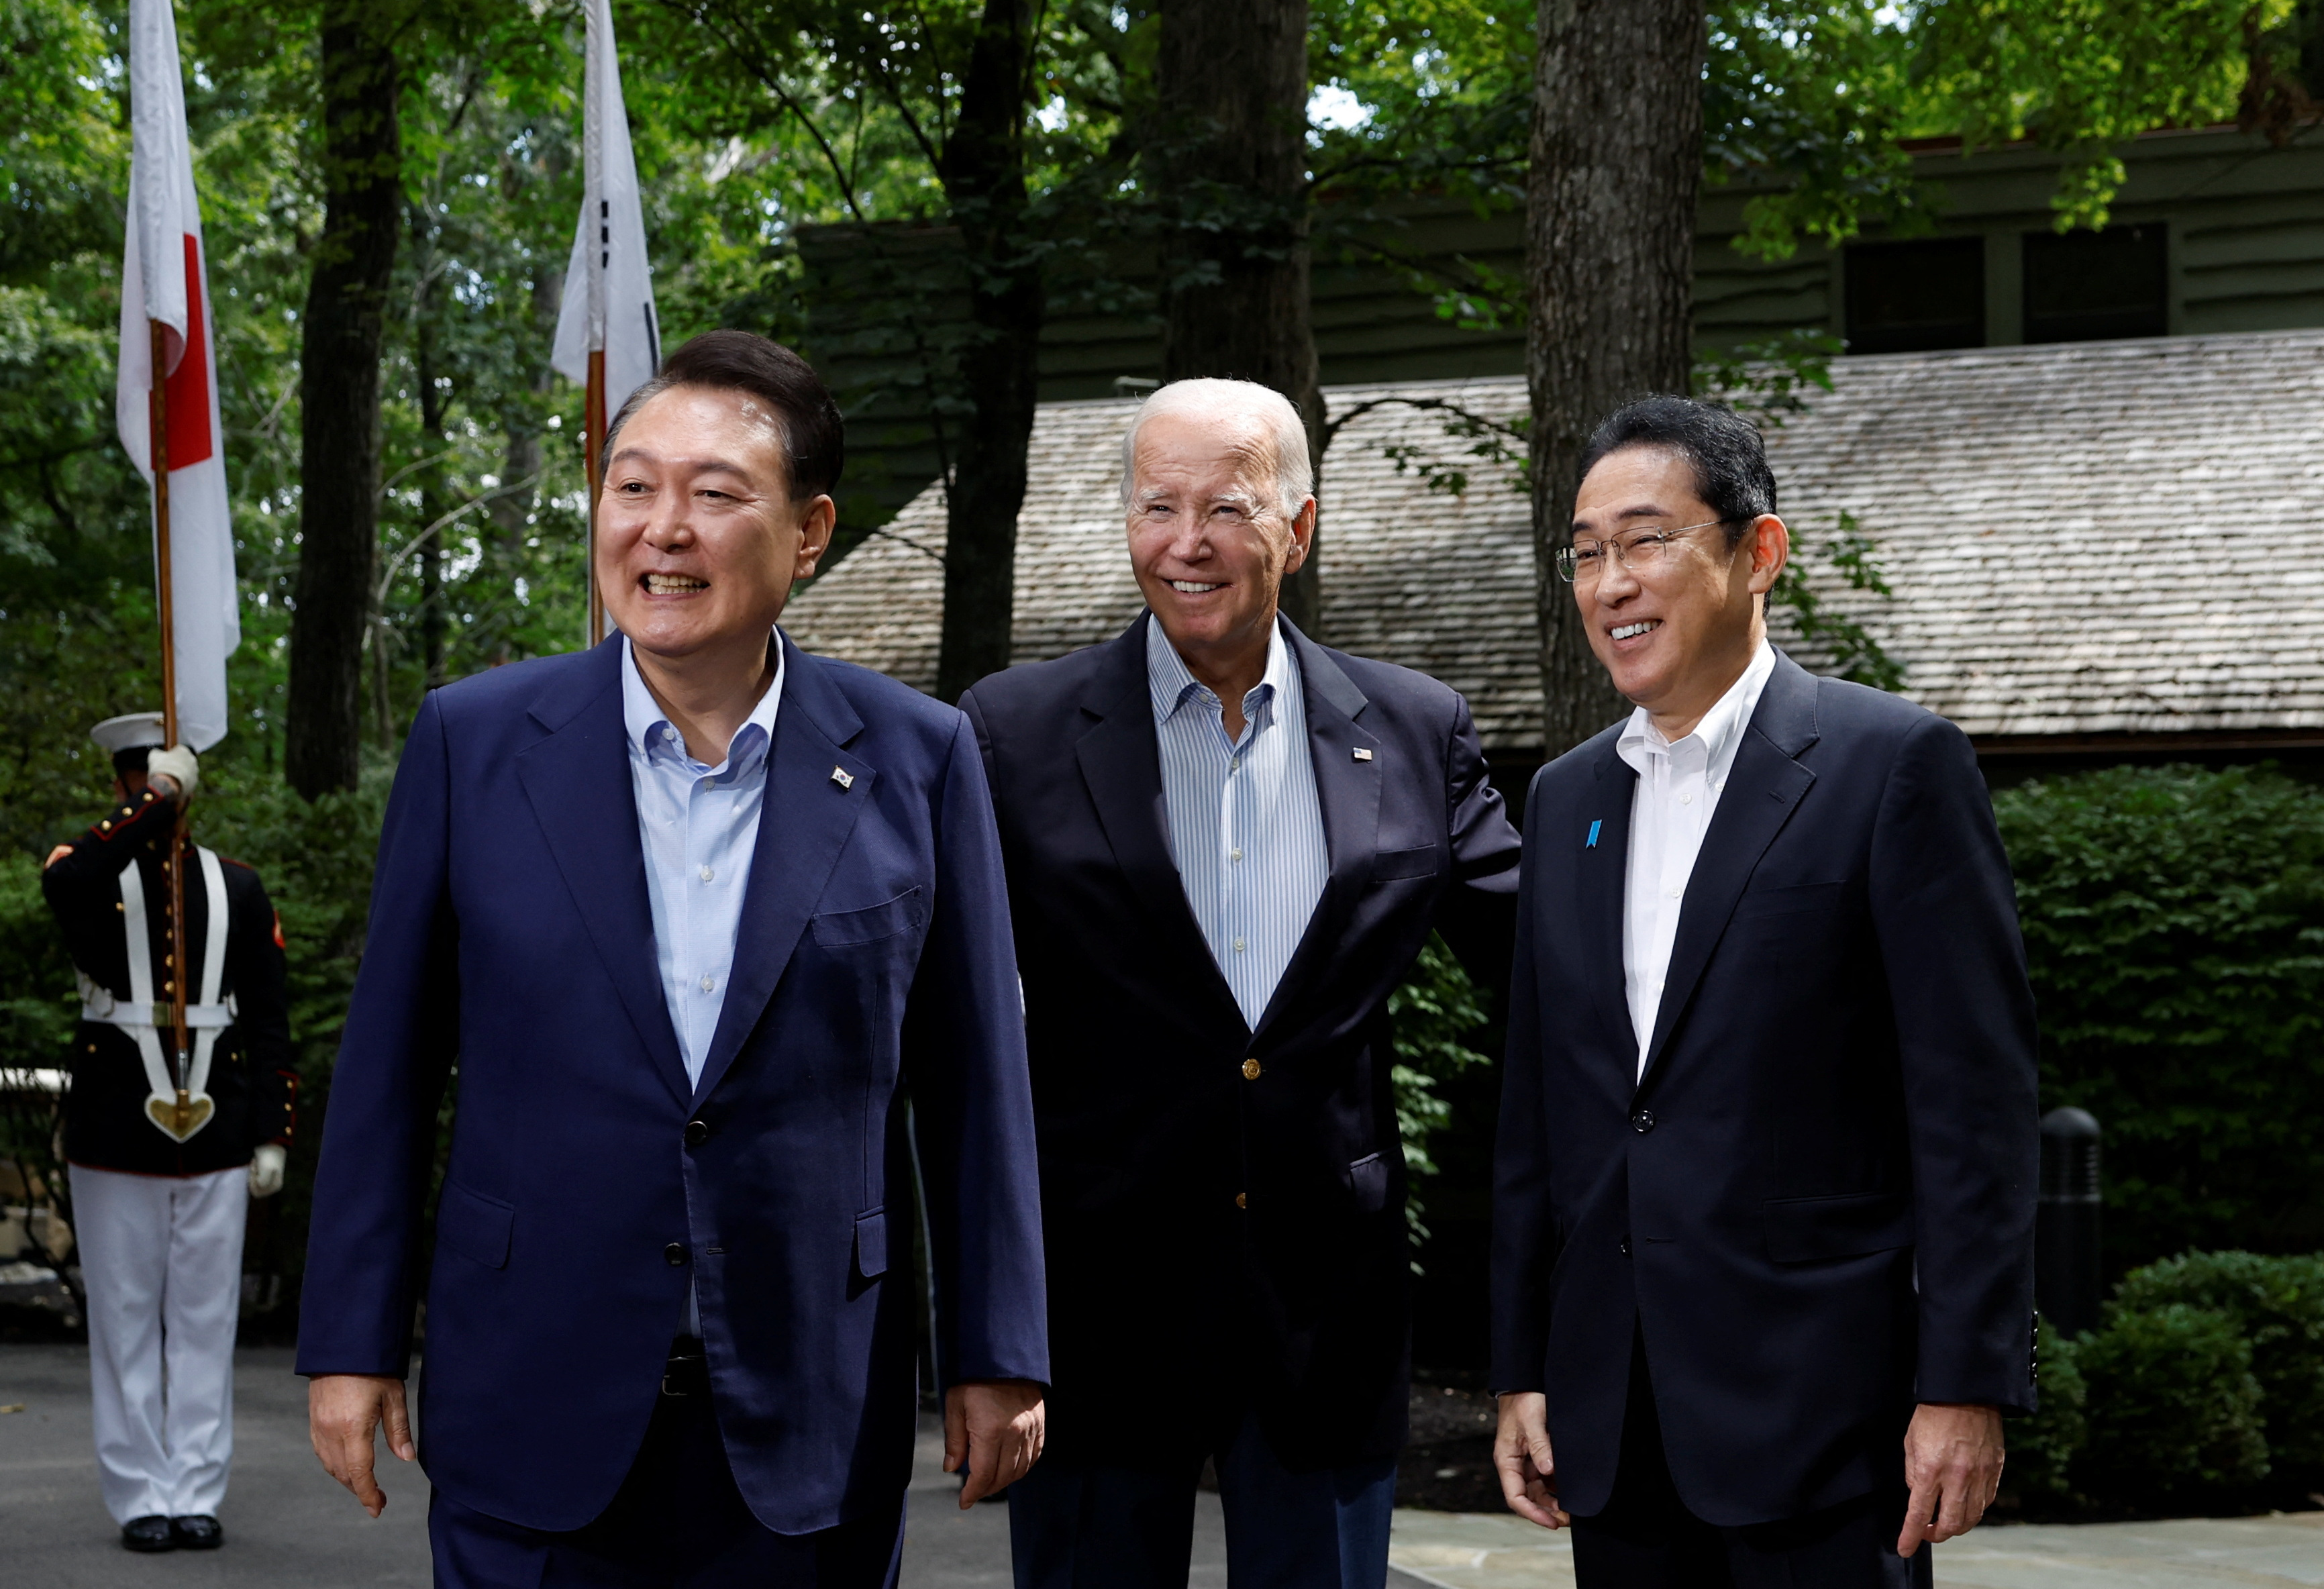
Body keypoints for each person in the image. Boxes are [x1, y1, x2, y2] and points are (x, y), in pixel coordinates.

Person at [296, 330, 1048, 1588]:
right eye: (633, 486)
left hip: (810, 1412)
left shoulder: (918, 759)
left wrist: (998, 1349)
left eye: (714, 493)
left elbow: (977, 1085)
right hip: (530, 1393)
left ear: (809, 533)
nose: (663, 528)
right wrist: (348, 1341)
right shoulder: (473, 744)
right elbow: (387, 1067)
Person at [960, 378, 1523, 1589]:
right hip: (1092, 1321)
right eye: (1157, 506)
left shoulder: (1415, 729)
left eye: (1226, 507)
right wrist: (982, 1332)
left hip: (1327, 1315)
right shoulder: (1008, 733)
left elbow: (1549, 966)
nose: (1187, 542)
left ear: (1298, 529)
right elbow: (947, 1033)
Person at [1489, 396, 2039, 1587]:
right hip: (1614, 1421)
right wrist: (1521, 1365)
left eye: (1646, 540)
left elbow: (1971, 1110)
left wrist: (1964, 1382)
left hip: (1824, 1421)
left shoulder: (1891, 766)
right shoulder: (1566, 798)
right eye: (1584, 553)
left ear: (1758, 552)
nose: (1609, 583)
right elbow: (1540, 1108)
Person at [42, 715, 294, 1553]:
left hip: (217, 1131)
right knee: (123, 1323)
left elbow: (269, 1020)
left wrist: (272, 1133)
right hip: (117, 1132)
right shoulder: (92, 874)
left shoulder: (237, 888)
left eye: (174, 783)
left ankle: (195, 1488)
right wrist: (151, 802)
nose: (167, 799)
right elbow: (69, 879)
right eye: (146, 782)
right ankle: (140, 1493)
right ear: (126, 785)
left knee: (204, 1322)